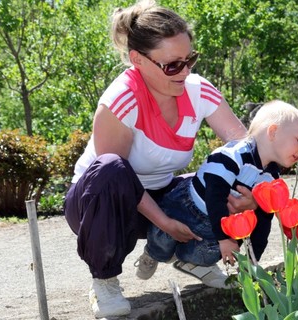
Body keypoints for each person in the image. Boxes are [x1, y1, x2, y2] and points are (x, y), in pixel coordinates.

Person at [63, 1, 255, 318]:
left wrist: (247, 192)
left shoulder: (199, 91)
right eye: (172, 65)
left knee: (220, 178)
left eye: (190, 60)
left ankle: (194, 257)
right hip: (98, 202)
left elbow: (243, 148)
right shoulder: (121, 99)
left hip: (157, 193)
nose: (186, 71)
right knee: (112, 169)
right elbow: (113, 177)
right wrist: (164, 223)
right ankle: (104, 281)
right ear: (138, 60)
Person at [134, 100, 298, 287]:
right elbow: (214, 195)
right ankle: (152, 253)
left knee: (212, 254)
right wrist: (224, 239)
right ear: (273, 132)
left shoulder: (271, 177)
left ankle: (188, 261)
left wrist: (252, 262)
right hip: (187, 207)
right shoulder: (234, 155)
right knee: (163, 241)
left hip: (214, 225)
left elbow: (263, 222)